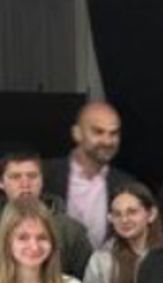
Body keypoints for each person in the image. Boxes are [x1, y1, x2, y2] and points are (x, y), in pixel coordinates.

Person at [0, 146, 93, 278]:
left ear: (42, 180)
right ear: (0, 182)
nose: (25, 184)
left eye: (32, 176)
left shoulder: (70, 230)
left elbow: (87, 280)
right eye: (15, 177)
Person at [44, 101, 139, 253]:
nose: (107, 141)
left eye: (113, 133)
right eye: (98, 132)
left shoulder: (127, 183)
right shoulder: (44, 175)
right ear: (77, 133)